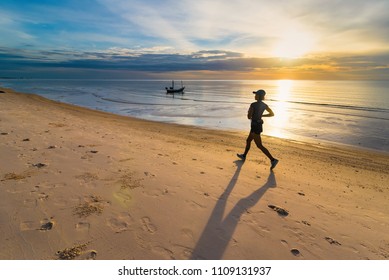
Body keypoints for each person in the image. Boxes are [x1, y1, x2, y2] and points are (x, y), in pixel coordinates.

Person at [237, 89, 279, 170]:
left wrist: (249, 112)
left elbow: (249, 117)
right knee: (248, 140)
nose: (255, 96)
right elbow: (272, 114)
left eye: (256, 95)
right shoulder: (264, 105)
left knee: (259, 145)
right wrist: (261, 116)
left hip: (255, 126)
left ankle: (273, 160)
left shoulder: (253, 104)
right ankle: (244, 155)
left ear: (259, 96)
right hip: (258, 125)